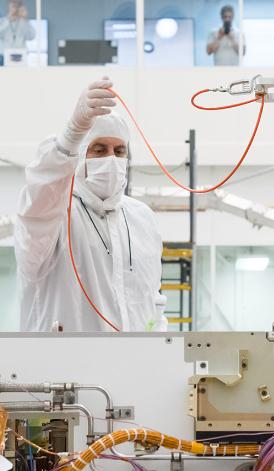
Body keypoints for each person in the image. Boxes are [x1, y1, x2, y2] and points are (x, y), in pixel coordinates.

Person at [15, 78, 165, 332]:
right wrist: (71, 134)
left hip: (133, 368)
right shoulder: (56, 214)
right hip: (60, 369)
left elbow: (152, 304)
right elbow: (40, 199)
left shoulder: (141, 217)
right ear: (79, 153)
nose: (110, 158)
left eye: (119, 151)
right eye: (98, 149)